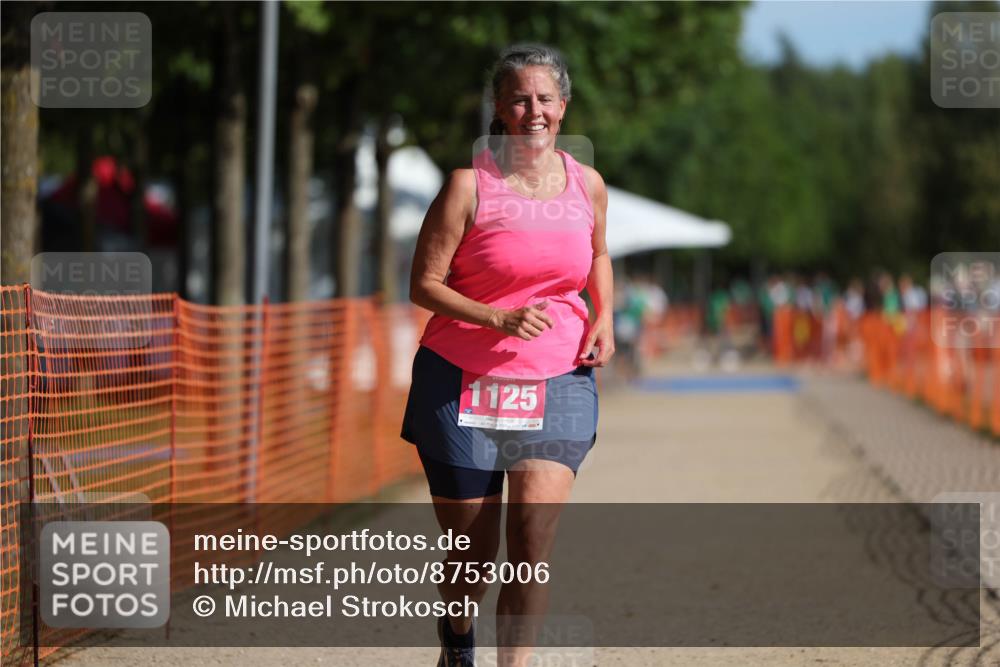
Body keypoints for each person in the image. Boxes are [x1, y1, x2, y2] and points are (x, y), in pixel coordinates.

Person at [402, 43, 614, 667]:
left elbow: (598, 255)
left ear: (564, 106)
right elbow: (423, 284)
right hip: (461, 378)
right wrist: (497, 315)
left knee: (532, 542)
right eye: (519, 98)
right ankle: (458, 645)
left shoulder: (588, 184)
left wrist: (604, 320)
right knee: (472, 551)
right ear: (499, 107)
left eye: (545, 98)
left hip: (558, 378)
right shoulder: (468, 186)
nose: (534, 111)